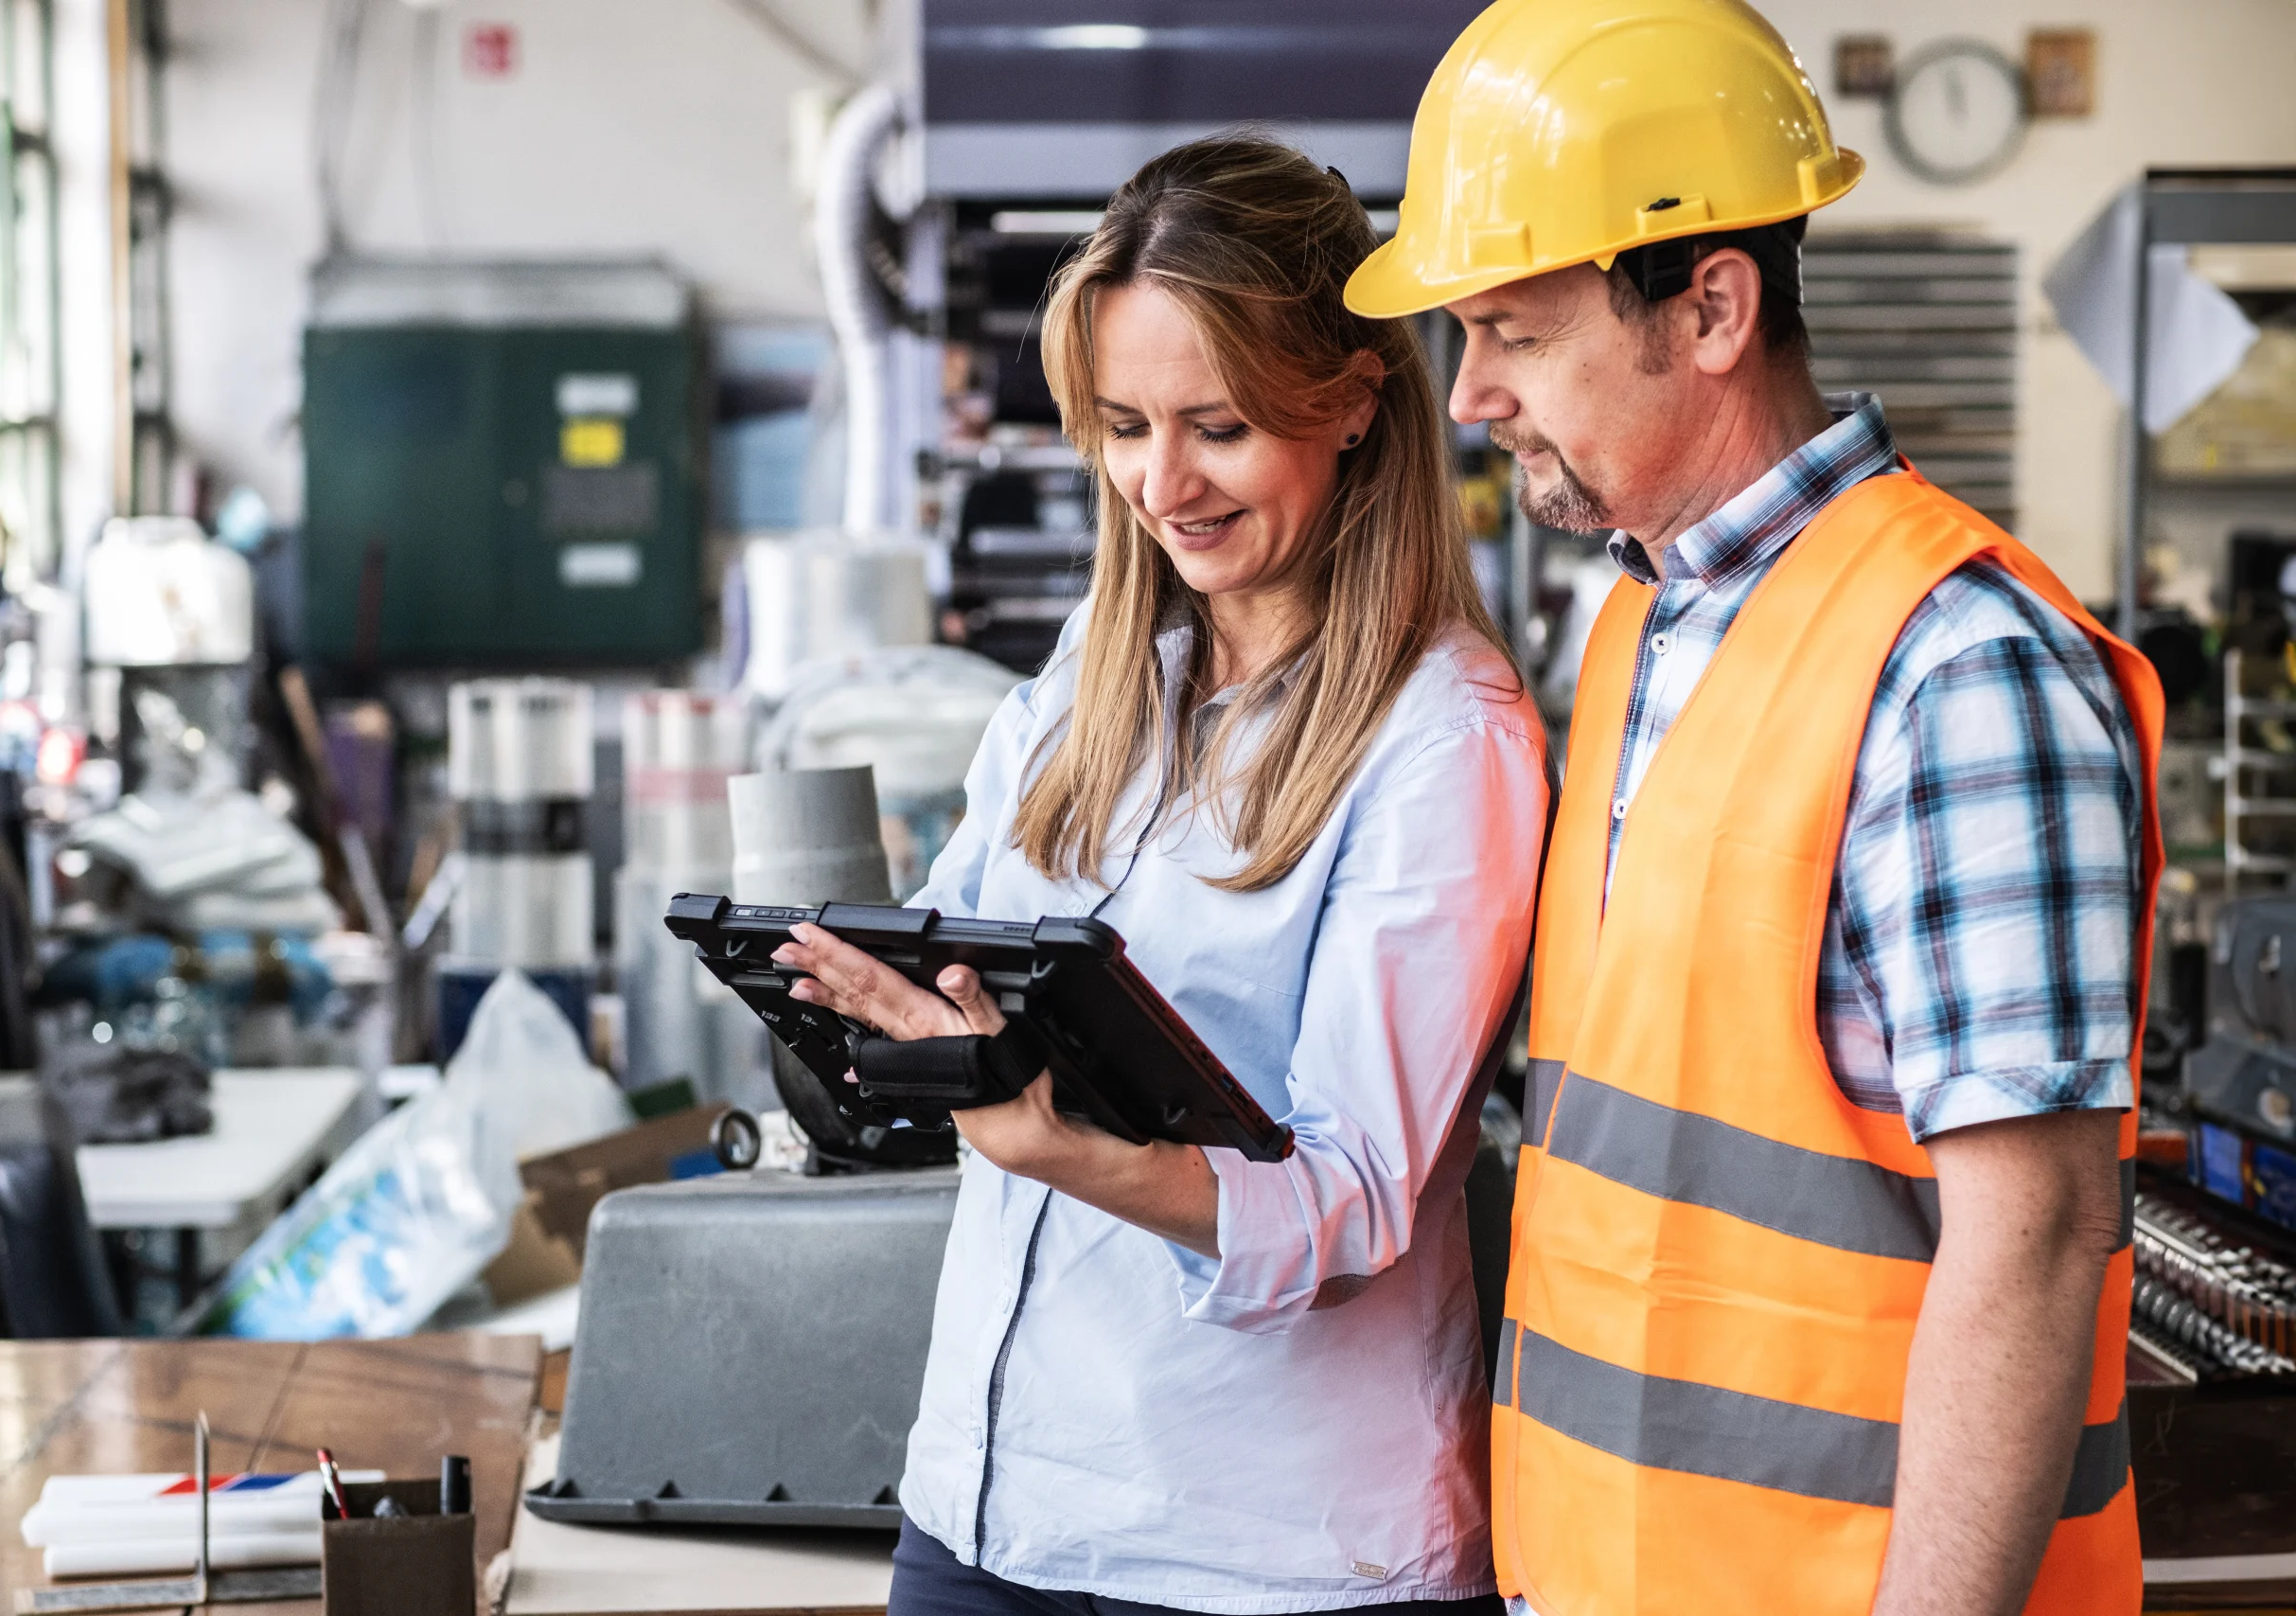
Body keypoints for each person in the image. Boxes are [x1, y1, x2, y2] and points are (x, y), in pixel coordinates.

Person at [1343, 2, 2162, 1613]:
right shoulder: (1645, 624)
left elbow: (2039, 1238)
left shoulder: (1957, 667)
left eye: (1512, 325)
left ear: (1711, 306)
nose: (1469, 394)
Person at [772, 135, 1547, 1615]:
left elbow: (1358, 1198)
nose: (1161, 482)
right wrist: (853, 1027)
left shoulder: (1446, 739)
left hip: (1267, 1551)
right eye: (1125, 425)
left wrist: (1056, 1142)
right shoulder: (1099, 679)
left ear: (1355, 405)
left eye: (1222, 428)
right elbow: (962, 961)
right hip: (987, 1508)